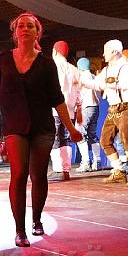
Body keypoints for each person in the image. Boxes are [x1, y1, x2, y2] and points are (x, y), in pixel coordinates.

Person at [0, 12, 82, 247]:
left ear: (37, 32)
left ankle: (36, 220)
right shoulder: (3, 60)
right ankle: (20, 231)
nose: (25, 29)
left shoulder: (46, 63)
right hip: (15, 127)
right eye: (21, 26)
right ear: (15, 32)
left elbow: (57, 99)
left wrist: (71, 128)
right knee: (19, 174)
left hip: (42, 128)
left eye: (30, 26)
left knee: (38, 175)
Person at [81, 39, 128, 186]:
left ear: (115, 52)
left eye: (106, 51)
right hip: (113, 108)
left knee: (126, 139)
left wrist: (116, 85)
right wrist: (82, 82)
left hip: (127, 107)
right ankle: (119, 170)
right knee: (105, 140)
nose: (103, 54)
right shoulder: (107, 70)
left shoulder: (126, 68)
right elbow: (98, 84)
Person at [49, 41, 80, 182]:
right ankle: (66, 169)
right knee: (65, 138)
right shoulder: (74, 69)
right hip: (70, 110)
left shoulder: (52, 66)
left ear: (55, 51)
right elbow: (78, 90)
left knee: (55, 138)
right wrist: (78, 106)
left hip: (56, 109)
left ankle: (58, 169)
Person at [74, 57, 101, 172]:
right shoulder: (94, 77)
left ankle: (85, 162)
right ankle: (97, 161)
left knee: (79, 133)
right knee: (92, 135)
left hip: (86, 107)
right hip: (95, 108)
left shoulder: (81, 78)